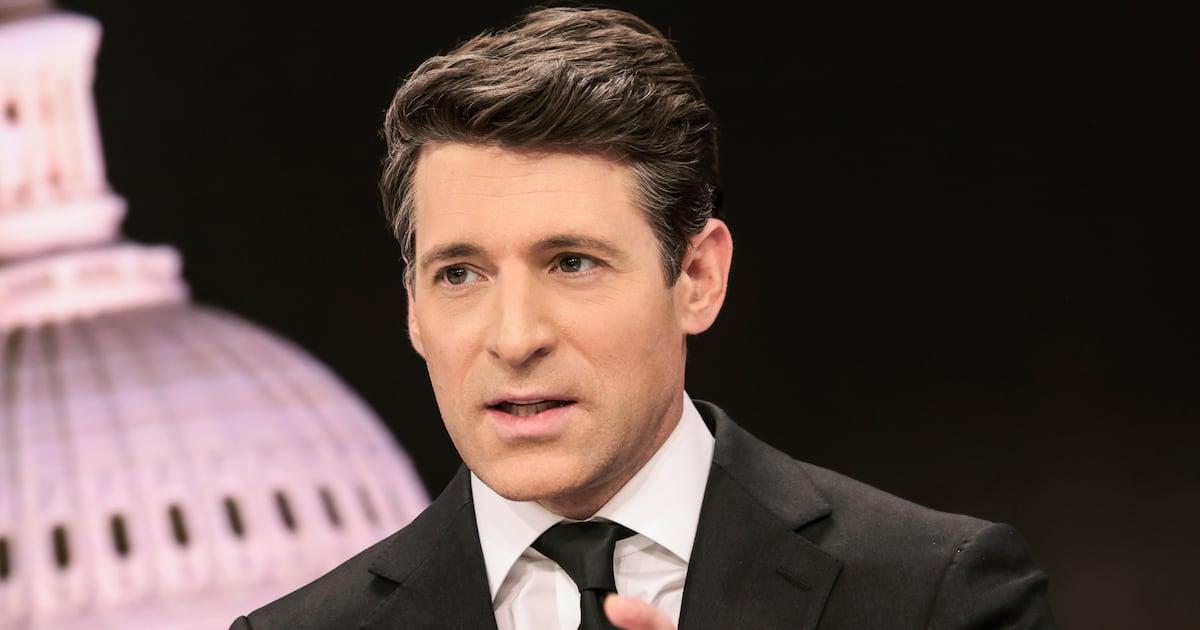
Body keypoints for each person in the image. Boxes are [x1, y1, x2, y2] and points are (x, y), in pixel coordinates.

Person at [230, 7, 1055, 629]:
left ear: (697, 277)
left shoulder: (938, 597)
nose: (514, 338)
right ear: (413, 308)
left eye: (572, 263)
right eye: (460, 274)